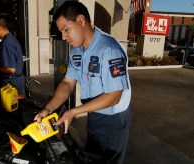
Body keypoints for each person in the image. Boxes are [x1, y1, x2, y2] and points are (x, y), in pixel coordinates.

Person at [34, 1, 131, 163]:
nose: (64, 37)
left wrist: (73, 112)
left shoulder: (109, 49)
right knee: (92, 157)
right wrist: (48, 108)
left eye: (66, 29)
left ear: (81, 20)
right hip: (93, 111)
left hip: (113, 117)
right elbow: (67, 83)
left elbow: (114, 96)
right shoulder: (77, 50)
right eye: (61, 32)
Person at [0, 17, 25, 98]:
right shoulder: (12, 39)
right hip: (17, 80)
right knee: (18, 107)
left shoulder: (6, 44)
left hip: (11, 83)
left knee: (11, 108)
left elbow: (10, 69)